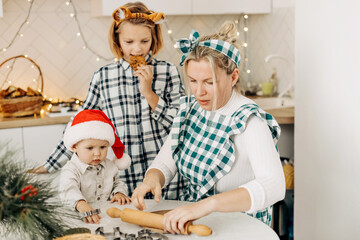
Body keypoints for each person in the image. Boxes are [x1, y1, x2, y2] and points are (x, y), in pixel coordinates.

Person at [131, 22, 286, 234]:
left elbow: (274, 186)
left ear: (233, 77)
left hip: (240, 227)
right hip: (194, 222)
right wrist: (152, 179)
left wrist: (207, 204)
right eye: (193, 81)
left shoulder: (250, 121)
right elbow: (166, 161)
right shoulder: (190, 110)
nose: (199, 91)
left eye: (209, 82)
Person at [30, 2, 186, 199]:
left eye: (144, 41)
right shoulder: (103, 77)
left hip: (165, 179)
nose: (137, 49)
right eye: (129, 42)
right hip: (122, 183)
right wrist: (50, 165)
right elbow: (79, 126)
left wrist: (149, 93)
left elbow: (181, 124)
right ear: (117, 40)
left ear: (154, 40)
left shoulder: (168, 71)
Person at [59, 109, 132, 224]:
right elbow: (68, 190)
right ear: (74, 147)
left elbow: (117, 183)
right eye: (90, 148)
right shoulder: (71, 169)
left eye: (103, 147)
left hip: (104, 217)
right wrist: (81, 204)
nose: (97, 153)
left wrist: (119, 193)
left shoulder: (110, 166)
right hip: (79, 219)